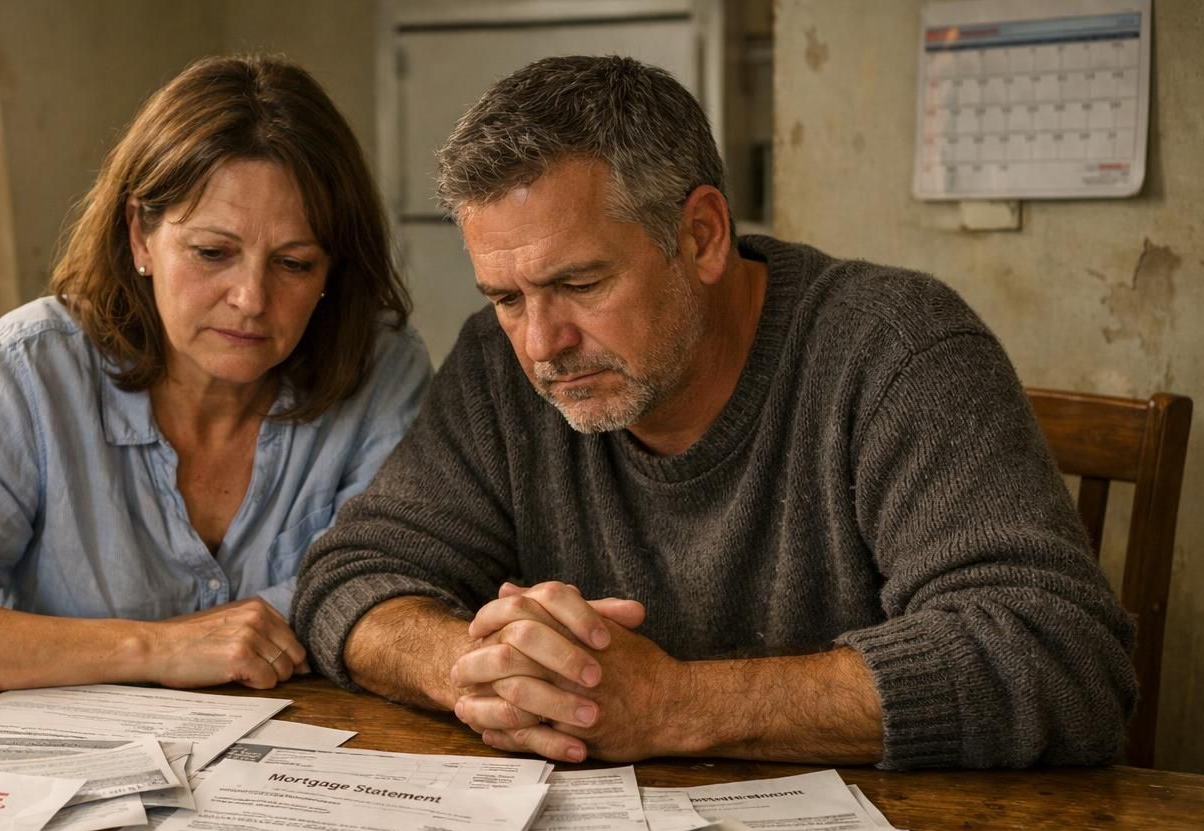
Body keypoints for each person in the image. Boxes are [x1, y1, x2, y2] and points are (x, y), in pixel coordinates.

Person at [291, 55, 1136, 769]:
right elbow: (349, 577)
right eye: (507, 297)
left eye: (580, 284)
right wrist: (475, 670)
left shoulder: (896, 348)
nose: (541, 344)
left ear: (700, 235)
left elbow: (1057, 653)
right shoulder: (495, 364)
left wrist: (674, 705)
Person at [0, 56, 430, 693]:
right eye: (213, 253)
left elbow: (406, 588)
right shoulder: (28, 371)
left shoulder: (382, 369)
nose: (251, 298)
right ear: (140, 236)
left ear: (331, 270)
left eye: (294, 264)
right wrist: (152, 646)